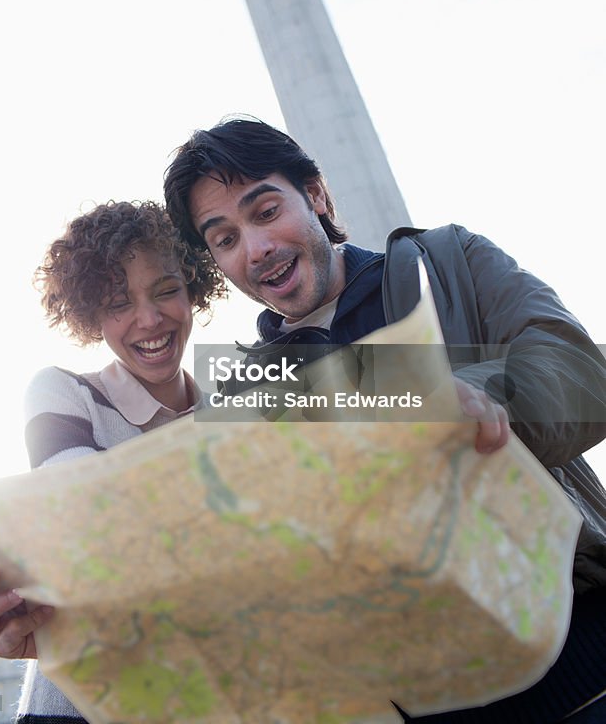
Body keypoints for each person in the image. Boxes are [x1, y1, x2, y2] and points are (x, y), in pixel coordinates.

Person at [162, 116, 606, 723]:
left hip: (586, 654)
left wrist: (463, 397)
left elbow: (583, 375)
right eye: (225, 239)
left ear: (316, 194)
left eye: (264, 212)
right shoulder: (242, 394)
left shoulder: (451, 261)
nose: (255, 249)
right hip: (421, 699)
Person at [0, 199, 225, 724]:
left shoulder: (237, 403)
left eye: (167, 290)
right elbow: (90, 520)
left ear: (193, 289)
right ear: (89, 314)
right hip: (78, 709)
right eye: (117, 303)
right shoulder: (60, 392)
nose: (148, 319)